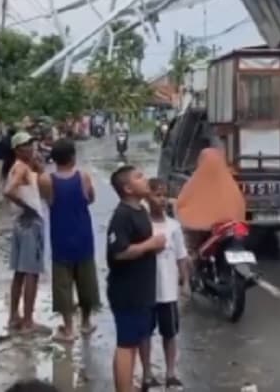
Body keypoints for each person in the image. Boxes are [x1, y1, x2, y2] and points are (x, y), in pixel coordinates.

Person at [106, 165, 166, 392]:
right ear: (128, 188)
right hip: (127, 290)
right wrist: (150, 245)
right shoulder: (122, 215)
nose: (145, 179)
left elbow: (137, 246)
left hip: (142, 289)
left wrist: (151, 249)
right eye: (139, 177)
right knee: (127, 345)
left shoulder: (140, 210)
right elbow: (119, 252)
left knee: (132, 341)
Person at [46, 139, 100, 343]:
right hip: (83, 236)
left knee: (63, 285)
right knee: (86, 280)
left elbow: (49, 201)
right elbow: (91, 198)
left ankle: (68, 328)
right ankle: (86, 323)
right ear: (73, 157)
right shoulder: (83, 177)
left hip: (60, 236)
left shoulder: (48, 180)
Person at [139, 179, 188, 391]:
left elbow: (181, 257)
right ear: (147, 198)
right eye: (156, 195)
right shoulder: (141, 226)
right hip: (146, 291)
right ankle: (147, 373)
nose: (161, 200)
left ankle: (170, 373)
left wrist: (184, 282)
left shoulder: (174, 227)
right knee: (145, 334)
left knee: (170, 334)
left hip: (168, 292)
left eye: (163, 195)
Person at [4, 131, 50, 333]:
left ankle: (14, 316)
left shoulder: (23, 167)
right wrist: (28, 207)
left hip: (21, 223)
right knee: (31, 272)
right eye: (25, 145)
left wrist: (39, 166)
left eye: (31, 144)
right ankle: (28, 321)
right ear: (16, 149)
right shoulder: (21, 167)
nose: (30, 148)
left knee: (20, 272)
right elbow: (9, 191)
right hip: (30, 223)